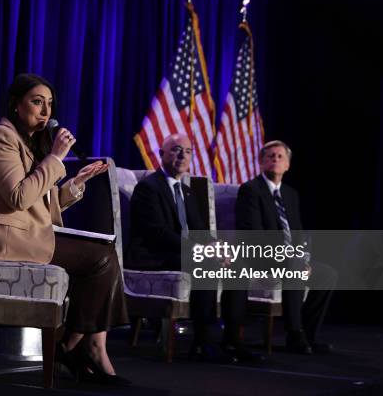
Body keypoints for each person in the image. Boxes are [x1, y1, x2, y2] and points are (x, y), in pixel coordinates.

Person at [0, 73, 129, 384]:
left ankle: (81, 346)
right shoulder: (1, 137)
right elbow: (18, 197)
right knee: (101, 258)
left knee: (104, 252)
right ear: (16, 104)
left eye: (50, 104)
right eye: (37, 102)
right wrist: (55, 157)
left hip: (28, 234)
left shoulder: (27, 144)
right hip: (2, 238)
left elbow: (39, 203)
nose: (46, 112)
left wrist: (75, 183)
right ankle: (79, 347)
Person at [127, 133, 260, 362]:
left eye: (188, 151)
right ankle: (202, 344)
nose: (182, 155)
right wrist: (203, 251)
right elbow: (158, 234)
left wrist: (217, 247)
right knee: (205, 262)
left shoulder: (187, 192)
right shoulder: (148, 187)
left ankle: (232, 341)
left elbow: (200, 231)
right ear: (161, 154)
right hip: (156, 255)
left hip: (185, 253)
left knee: (237, 264)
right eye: (176, 149)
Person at [235, 140, 337, 354]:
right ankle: (294, 332)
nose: (275, 159)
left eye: (280, 156)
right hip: (258, 257)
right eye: (270, 155)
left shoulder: (291, 194)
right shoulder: (250, 190)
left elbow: (298, 233)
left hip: (289, 257)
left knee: (327, 274)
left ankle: (307, 337)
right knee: (292, 263)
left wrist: (305, 260)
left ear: (288, 165)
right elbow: (253, 234)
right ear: (261, 162)